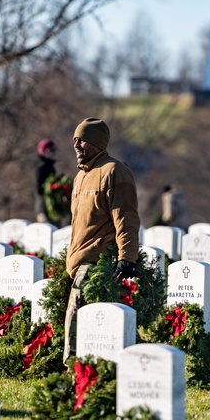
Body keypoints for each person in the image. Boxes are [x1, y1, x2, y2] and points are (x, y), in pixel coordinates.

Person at [64, 117, 141, 361]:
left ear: (97, 143)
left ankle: (75, 372)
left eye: (82, 140)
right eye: (75, 140)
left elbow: (126, 217)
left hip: (97, 264)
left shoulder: (114, 171)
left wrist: (126, 257)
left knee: (76, 328)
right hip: (77, 265)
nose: (76, 145)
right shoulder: (80, 176)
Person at [34, 138, 58, 223]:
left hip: (51, 207)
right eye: (51, 150)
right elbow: (39, 190)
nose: (54, 153)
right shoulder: (42, 167)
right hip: (44, 207)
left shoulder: (50, 166)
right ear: (45, 151)